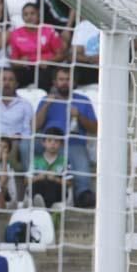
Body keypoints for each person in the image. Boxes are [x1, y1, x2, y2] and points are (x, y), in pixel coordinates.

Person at [34, 67, 98, 207]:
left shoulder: (83, 100)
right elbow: (34, 126)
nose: (64, 83)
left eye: (68, 80)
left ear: (74, 82)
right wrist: (46, 106)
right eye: (61, 79)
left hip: (73, 143)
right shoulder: (46, 100)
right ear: (55, 82)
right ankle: (32, 184)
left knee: (81, 162)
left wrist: (79, 116)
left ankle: (83, 194)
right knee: (25, 145)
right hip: (48, 143)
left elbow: (95, 129)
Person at [7, 2, 66, 90]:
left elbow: (61, 55)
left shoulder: (49, 30)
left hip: (46, 67)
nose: (29, 17)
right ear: (22, 17)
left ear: (38, 15)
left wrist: (48, 61)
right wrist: (21, 62)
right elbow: (13, 61)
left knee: (45, 76)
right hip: (26, 68)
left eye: (32, 13)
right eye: (26, 14)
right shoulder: (16, 33)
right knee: (11, 76)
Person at [29, 127, 69, 208]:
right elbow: (26, 181)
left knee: (52, 185)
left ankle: (44, 207)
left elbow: (69, 182)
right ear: (43, 143)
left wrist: (55, 179)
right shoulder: (36, 160)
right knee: (37, 185)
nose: (53, 144)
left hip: (57, 190)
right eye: (49, 140)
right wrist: (38, 177)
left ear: (61, 144)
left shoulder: (64, 161)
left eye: (56, 141)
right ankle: (39, 203)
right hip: (40, 187)